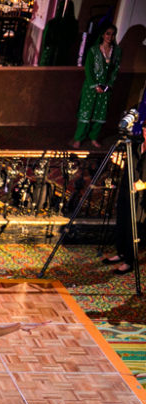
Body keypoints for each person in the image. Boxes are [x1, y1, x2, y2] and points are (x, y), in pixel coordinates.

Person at [103, 126, 146, 275]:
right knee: (121, 222)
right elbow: (131, 169)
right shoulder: (135, 147)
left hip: (141, 197)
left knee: (132, 228)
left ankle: (129, 260)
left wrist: (144, 184)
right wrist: (120, 164)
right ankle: (120, 252)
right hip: (126, 190)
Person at [73, 24, 120, 149]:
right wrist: (95, 85)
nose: (110, 37)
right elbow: (88, 69)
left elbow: (115, 69)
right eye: (107, 33)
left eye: (112, 34)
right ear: (103, 35)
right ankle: (78, 139)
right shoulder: (93, 50)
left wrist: (108, 85)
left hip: (106, 88)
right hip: (91, 87)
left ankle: (94, 138)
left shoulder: (116, 51)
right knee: (86, 112)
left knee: (100, 113)